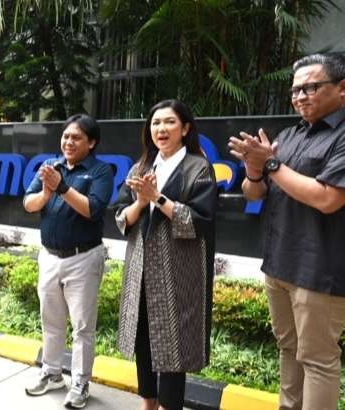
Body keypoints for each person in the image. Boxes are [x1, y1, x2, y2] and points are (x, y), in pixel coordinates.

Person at [228, 52, 345, 410]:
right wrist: (252, 169)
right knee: (288, 349)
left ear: (342, 89)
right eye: (295, 90)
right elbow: (256, 193)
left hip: (319, 269)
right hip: (278, 263)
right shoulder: (289, 135)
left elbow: (328, 199)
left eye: (311, 87)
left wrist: (271, 163)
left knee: (318, 360)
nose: (300, 96)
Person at [113, 100, 217, 410]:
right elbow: (121, 218)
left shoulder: (199, 167)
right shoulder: (141, 167)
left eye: (169, 122)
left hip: (178, 272)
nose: (161, 129)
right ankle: (148, 404)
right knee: (143, 340)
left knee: (173, 344)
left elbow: (200, 221)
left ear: (185, 129)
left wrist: (157, 198)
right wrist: (140, 203)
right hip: (141, 269)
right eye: (155, 123)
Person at [22, 114, 113, 409]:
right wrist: (47, 192)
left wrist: (62, 188)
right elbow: (28, 203)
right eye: (66, 136)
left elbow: (93, 210)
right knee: (51, 321)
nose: (68, 142)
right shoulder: (52, 167)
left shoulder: (100, 171)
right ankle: (51, 372)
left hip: (83, 258)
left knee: (83, 325)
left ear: (92, 142)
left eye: (76, 137)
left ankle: (80, 382)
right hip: (49, 256)